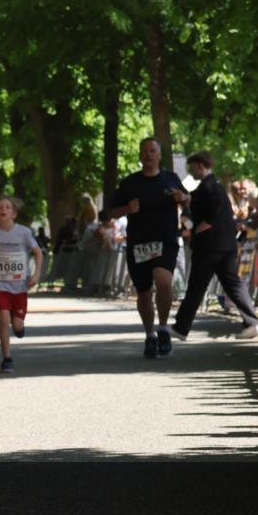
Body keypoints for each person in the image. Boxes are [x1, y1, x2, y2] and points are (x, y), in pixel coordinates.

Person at [108, 136, 188, 358]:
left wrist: (183, 197)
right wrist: (127, 209)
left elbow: (187, 199)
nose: (148, 155)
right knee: (143, 293)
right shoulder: (130, 183)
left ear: (159, 155)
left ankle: (163, 328)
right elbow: (111, 212)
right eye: (144, 151)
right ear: (140, 155)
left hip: (166, 240)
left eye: (152, 151)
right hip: (139, 242)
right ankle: (150, 334)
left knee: (163, 283)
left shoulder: (170, 178)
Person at [171, 152, 258, 341]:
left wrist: (197, 230)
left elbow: (210, 215)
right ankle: (253, 322)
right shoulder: (214, 186)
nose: (191, 171)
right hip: (224, 245)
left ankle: (181, 327)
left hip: (210, 246)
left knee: (196, 287)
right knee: (233, 284)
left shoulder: (209, 187)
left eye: (192, 167)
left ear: (199, 166)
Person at [0, 196, 43, 373]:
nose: (3, 209)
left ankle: (19, 328)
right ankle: (6, 359)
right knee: (3, 319)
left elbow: (38, 253)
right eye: (0, 207)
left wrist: (36, 274)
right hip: (1, 284)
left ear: (14, 214)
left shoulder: (24, 232)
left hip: (20, 285)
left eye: (7, 207)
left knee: (16, 325)